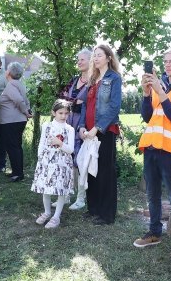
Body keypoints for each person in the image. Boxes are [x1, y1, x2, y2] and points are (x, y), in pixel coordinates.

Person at [135, 47, 171, 264]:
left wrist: (160, 91)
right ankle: (154, 233)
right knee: (152, 194)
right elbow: (148, 116)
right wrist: (147, 93)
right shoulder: (161, 85)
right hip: (151, 147)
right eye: (165, 61)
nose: (167, 65)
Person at [78, 43, 122, 225]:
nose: (95, 58)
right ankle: (93, 209)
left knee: (105, 171)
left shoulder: (114, 78)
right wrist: (81, 126)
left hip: (104, 131)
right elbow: (84, 106)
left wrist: (97, 127)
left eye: (99, 55)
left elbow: (114, 106)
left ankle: (106, 214)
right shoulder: (92, 79)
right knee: (90, 170)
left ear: (109, 58)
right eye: (94, 55)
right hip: (88, 132)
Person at [32, 99, 76, 229]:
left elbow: (70, 150)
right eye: (60, 113)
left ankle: (56, 216)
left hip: (62, 163)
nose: (63, 116)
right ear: (53, 112)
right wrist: (40, 158)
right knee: (46, 189)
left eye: (66, 113)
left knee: (60, 189)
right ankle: (46, 212)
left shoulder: (70, 129)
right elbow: (41, 143)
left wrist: (60, 143)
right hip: (46, 162)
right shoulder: (46, 126)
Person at [60, 48, 92, 210]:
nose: (78, 62)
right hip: (68, 126)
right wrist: (75, 103)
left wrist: (74, 102)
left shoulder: (94, 82)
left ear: (91, 61)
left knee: (80, 163)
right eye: (78, 59)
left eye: (82, 60)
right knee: (66, 161)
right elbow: (61, 99)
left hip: (83, 127)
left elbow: (87, 105)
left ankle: (80, 198)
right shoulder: (73, 80)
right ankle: (66, 195)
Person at [0, 61, 31, 182]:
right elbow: (26, 101)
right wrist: (27, 110)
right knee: (15, 146)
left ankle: (18, 174)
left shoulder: (11, 85)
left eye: (7, 69)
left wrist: (26, 112)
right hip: (17, 121)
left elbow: (19, 100)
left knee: (13, 147)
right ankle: (16, 172)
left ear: (9, 72)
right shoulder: (19, 84)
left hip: (11, 121)